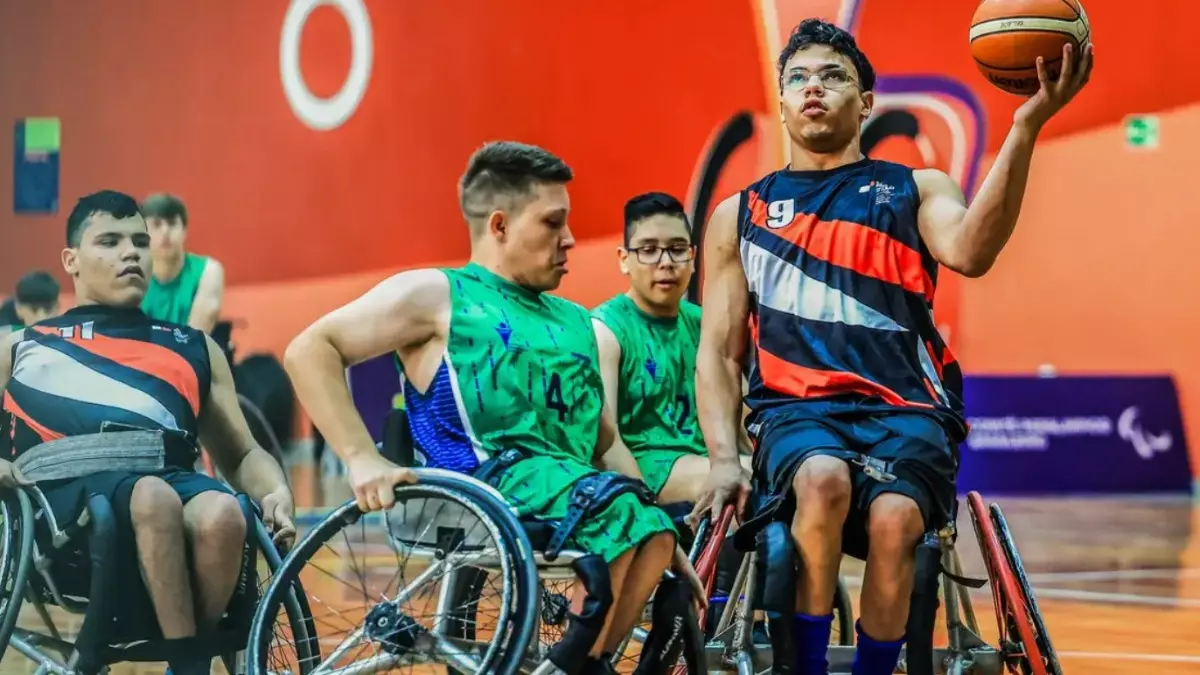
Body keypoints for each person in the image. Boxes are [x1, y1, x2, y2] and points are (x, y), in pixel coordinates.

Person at [691, 19, 1092, 675]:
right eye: (798, 78)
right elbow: (718, 354)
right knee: (820, 479)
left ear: (867, 102)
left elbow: (971, 250)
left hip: (905, 414)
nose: (813, 87)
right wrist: (722, 458)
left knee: (897, 517)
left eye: (833, 75)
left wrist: (1026, 126)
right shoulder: (741, 214)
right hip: (797, 416)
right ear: (784, 101)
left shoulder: (916, 187)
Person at [285, 141, 699, 675]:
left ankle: (583, 664)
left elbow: (605, 442)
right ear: (500, 226)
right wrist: (361, 457)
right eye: (553, 223)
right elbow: (309, 350)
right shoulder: (439, 294)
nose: (569, 239)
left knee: (657, 531)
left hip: (576, 490)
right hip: (479, 488)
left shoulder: (576, 321)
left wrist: (655, 526)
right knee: (622, 519)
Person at [0, 190, 295, 675]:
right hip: (65, 515)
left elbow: (243, 455)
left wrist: (275, 488)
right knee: (152, 497)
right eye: (110, 242)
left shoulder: (193, 347)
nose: (132, 252)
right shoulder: (24, 345)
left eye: (138, 241)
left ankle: (184, 662)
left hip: (169, 480)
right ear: (71, 261)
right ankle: (191, 662)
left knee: (223, 512)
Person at [591, 192, 752, 504]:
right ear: (624, 260)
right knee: (748, 479)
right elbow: (605, 446)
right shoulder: (605, 331)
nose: (665, 263)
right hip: (644, 467)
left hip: (713, 459)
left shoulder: (705, 323)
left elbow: (743, 413)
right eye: (649, 250)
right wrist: (644, 512)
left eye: (677, 250)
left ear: (692, 256)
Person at [140, 193, 225, 333]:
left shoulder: (208, 271)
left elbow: (193, 341)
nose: (165, 232)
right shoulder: (131, 277)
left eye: (172, 223)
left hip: (193, 353)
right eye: (156, 224)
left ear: (184, 230)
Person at [0, 270, 61, 337]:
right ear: (19, 309)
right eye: (34, 309)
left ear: (57, 307)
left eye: (48, 309)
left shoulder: (68, 337)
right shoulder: (5, 340)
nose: (41, 317)